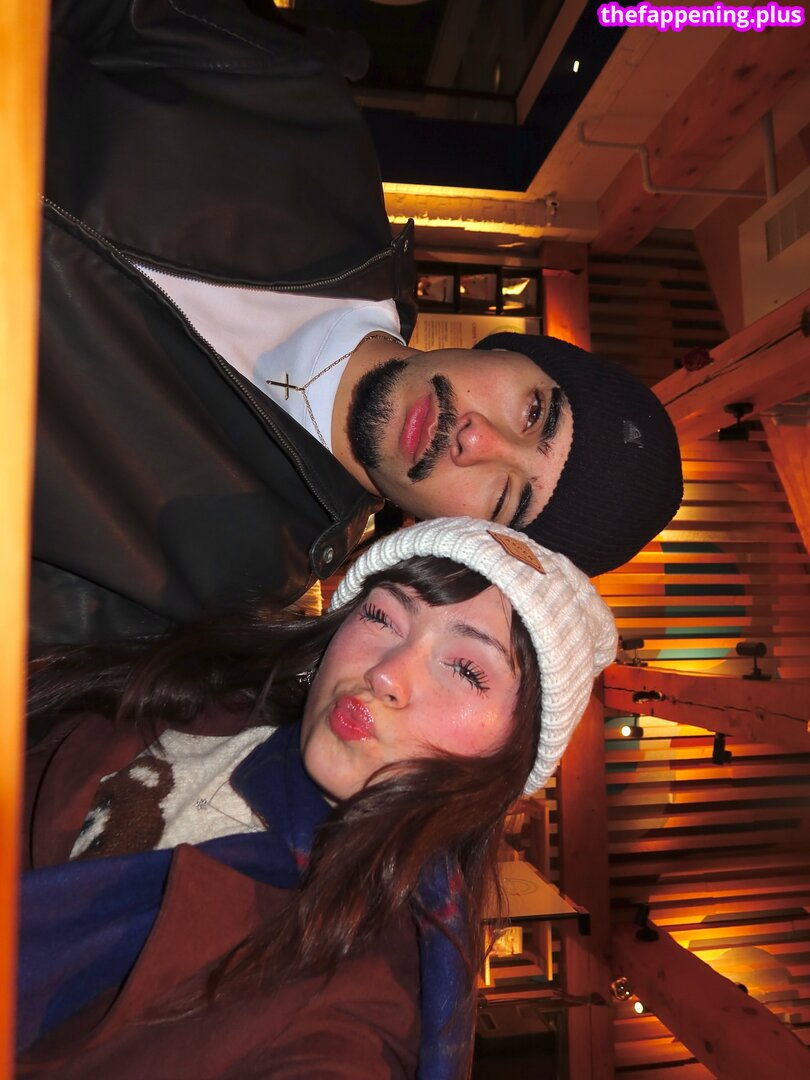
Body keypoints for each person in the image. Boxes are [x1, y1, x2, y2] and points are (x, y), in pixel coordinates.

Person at [33, 0, 682, 647]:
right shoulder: (308, 128)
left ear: (464, 539)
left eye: (505, 498)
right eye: (535, 413)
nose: (477, 439)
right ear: (516, 350)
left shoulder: (220, 583)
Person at [19, 517, 616, 1078]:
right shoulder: (210, 689)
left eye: (466, 669)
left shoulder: (359, 997)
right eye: (383, 616)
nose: (386, 672)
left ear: (509, 761)